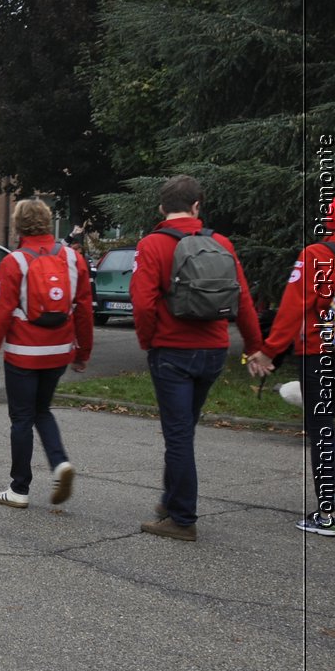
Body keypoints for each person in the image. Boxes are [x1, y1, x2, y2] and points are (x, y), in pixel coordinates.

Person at [131, 175, 265, 542]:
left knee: (177, 436)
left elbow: (142, 304)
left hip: (172, 352)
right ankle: (169, 500)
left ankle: (182, 518)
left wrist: (149, 341)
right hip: (214, 350)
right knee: (184, 430)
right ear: (196, 206)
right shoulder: (221, 242)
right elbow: (243, 299)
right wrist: (255, 346)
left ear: (161, 208)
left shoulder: (153, 245)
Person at [0, 199, 92, 511]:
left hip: (24, 353)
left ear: (19, 226)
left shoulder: (15, 262)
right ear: (47, 222)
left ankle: (19, 488)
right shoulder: (72, 258)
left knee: (21, 417)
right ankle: (59, 464)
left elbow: (0, 314)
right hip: (59, 351)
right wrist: (83, 351)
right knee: (43, 410)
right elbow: (84, 309)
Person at [249, 195, 335, 534]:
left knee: (323, 429)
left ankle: (329, 514)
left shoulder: (316, 256)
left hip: (320, 352)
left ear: (328, 221)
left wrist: (269, 351)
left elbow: (291, 310)